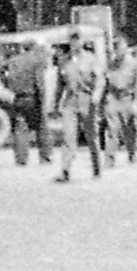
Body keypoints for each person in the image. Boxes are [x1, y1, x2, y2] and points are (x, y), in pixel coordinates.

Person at [53, 39, 106, 181]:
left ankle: (97, 168)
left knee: (91, 137)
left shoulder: (91, 59)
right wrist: (55, 104)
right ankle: (65, 171)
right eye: (71, 40)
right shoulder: (64, 61)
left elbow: (100, 80)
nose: (74, 44)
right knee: (68, 137)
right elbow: (60, 85)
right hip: (70, 103)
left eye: (76, 40)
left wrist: (96, 97)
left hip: (87, 101)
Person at [1, 38, 51, 169]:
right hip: (32, 96)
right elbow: (39, 82)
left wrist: (6, 85)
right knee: (41, 126)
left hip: (18, 96)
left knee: (20, 128)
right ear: (33, 47)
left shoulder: (14, 60)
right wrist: (42, 98)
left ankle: (21, 158)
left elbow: (0, 69)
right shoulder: (36, 60)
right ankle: (45, 156)